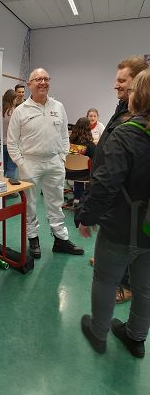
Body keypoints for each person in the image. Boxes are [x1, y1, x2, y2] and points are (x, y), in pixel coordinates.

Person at [77, 69, 150, 358]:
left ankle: (98, 331)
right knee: (145, 286)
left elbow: (106, 185)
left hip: (121, 225)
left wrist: (87, 215)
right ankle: (136, 336)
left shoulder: (127, 134)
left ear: (139, 95)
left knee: (105, 279)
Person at [87, 57, 149, 303]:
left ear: (139, 83)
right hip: (112, 186)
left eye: (122, 81)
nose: (116, 85)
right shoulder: (123, 105)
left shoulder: (137, 114)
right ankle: (110, 262)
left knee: (125, 234)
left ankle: (125, 284)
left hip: (124, 192)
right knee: (112, 232)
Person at [7, 68, 84, 258]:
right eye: (38, 79)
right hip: (30, 163)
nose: (42, 82)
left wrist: (62, 157)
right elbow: (12, 141)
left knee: (56, 203)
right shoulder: (20, 111)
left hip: (54, 162)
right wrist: (21, 164)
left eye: (46, 79)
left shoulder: (58, 107)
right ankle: (33, 239)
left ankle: (61, 240)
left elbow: (65, 136)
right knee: (30, 204)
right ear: (29, 84)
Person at [65, 117, 96, 206]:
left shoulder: (69, 143)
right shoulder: (90, 146)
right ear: (88, 129)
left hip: (68, 172)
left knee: (78, 171)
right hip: (85, 175)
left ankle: (77, 198)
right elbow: (96, 158)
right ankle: (84, 198)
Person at [2, 89, 17, 179]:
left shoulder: (0, 110)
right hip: (11, 144)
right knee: (11, 169)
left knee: (3, 170)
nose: (16, 101)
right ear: (11, 99)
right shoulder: (13, 111)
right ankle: (11, 191)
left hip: (2, 144)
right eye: (15, 99)